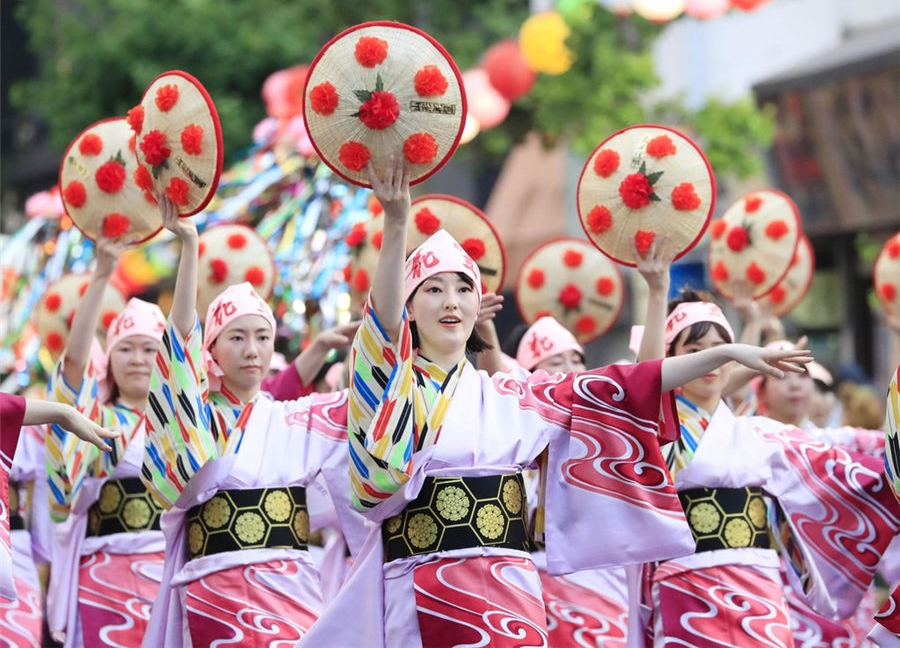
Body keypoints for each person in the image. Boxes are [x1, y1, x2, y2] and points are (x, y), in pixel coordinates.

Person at [298, 158, 812, 647]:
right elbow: (383, 323)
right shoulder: (393, 385)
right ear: (409, 309)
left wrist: (724, 352)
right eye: (432, 290)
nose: (450, 301)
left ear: (480, 304)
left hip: (508, 591)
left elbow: (623, 385)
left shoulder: (515, 394)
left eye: (462, 288)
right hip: (419, 587)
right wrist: (396, 220)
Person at [142, 197, 365, 647]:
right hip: (215, 592)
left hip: (291, 588)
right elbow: (178, 347)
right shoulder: (197, 419)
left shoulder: (295, 417)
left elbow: (371, 404)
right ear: (211, 349)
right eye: (237, 337)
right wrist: (189, 246)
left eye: (262, 336)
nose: (252, 349)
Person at [633, 289, 899, 647]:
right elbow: (642, 382)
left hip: (758, 585)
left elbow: (851, 475)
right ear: (672, 358)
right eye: (694, 353)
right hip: (685, 585)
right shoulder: (657, 429)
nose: (708, 360)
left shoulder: (758, 433)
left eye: (717, 348)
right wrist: (657, 286)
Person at [43, 235, 167, 648]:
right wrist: (101, 274)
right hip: (104, 576)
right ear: (109, 358)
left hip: (171, 573)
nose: (136, 359)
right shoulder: (94, 420)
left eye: (149, 349)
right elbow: (74, 365)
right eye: (126, 348)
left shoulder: (185, 425)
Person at [0, 392, 116, 637]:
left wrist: (43, 557)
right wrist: (62, 412)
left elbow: (41, 493)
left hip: (15, 546)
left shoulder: (30, 426)